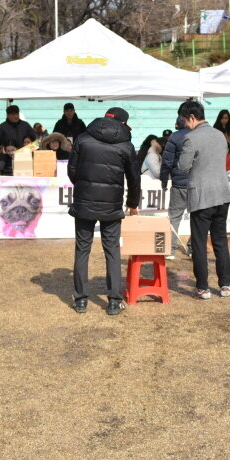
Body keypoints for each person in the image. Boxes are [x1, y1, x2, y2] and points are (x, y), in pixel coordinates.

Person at [67, 107, 140, 315]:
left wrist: (83, 186)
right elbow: (134, 179)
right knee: (112, 252)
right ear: (123, 123)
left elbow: (72, 170)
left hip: (84, 202)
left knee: (82, 250)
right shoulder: (126, 145)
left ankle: (80, 300)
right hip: (112, 205)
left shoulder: (83, 138)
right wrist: (132, 203)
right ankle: (114, 301)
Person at [178, 100, 230, 300]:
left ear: (192, 117)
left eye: (184, 120)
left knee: (199, 244)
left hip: (202, 196)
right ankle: (225, 285)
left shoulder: (191, 138)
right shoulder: (220, 135)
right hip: (222, 194)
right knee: (220, 241)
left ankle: (203, 287)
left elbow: (183, 167)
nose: (183, 124)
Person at [160, 116, 190, 259]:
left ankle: (170, 250)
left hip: (178, 183)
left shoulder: (174, 137)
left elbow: (167, 161)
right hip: (196, 184)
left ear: (177, 125)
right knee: (198, 218)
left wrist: (164, 180)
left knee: (174, 218)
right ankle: (193, 248)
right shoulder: (196, 135)